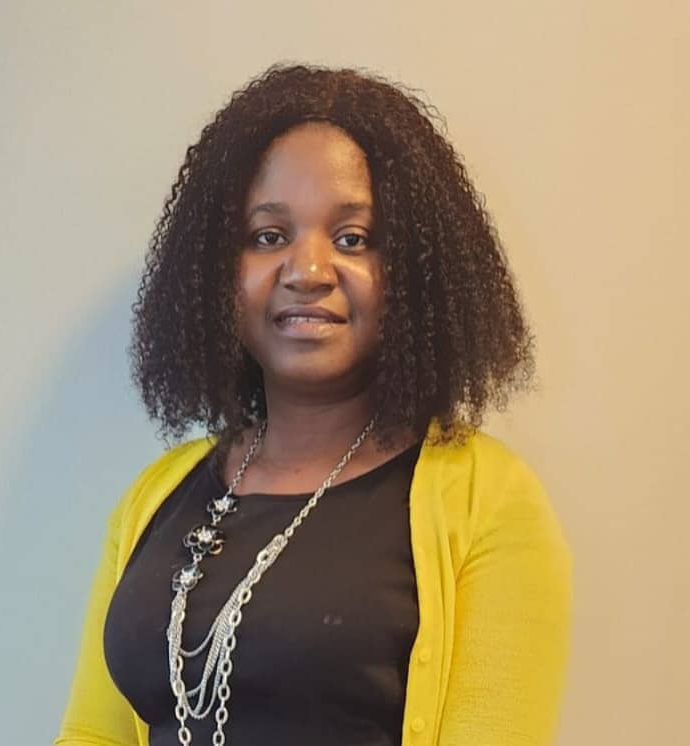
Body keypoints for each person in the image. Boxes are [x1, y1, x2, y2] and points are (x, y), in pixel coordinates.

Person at [54, 63, 573, 746]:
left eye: (353, 238)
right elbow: (93, 733)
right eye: (268, 236)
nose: (306, 272)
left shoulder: (488, 500)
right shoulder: (157, 497)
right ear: (216, 270)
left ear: (416, 272)